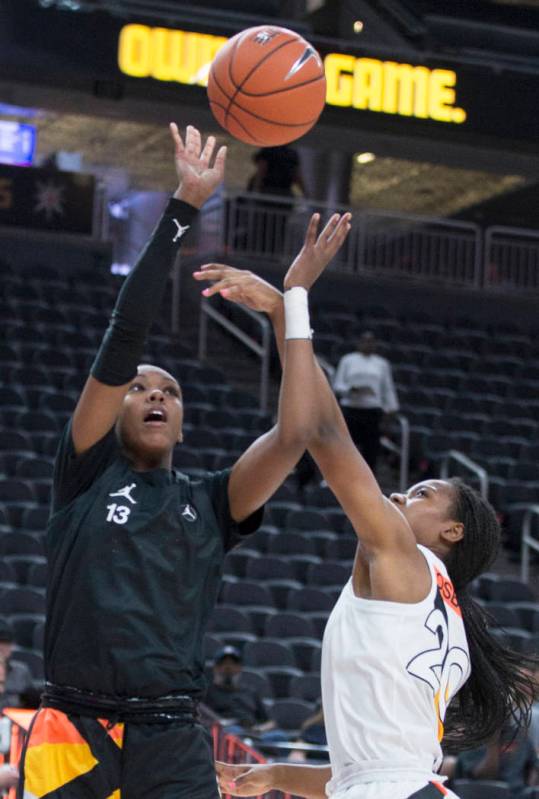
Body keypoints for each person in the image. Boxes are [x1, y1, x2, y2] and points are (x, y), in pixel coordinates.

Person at [17, 124, 326, 799]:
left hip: (173, 736)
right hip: (74, 726)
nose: (155, 392)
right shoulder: (85, 473)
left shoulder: (214, 498)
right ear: (115, 408)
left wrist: (285, 309)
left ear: (183, 423)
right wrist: (184, 206)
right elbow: (124, 337)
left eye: (171, 390)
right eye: (139, 387)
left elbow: (297, 429)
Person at [194, 218, 537, 799]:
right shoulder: (439, 605)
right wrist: (277, 775)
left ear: (451, 531)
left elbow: (324, 431)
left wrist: (293, 299)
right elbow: (367, 773)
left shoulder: (408, 562)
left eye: (422, 493)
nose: (401, 494)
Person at [333, 331, 399, 473]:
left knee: (371, 450)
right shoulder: (348, 360)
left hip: (372, 411)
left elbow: (387, 388)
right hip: (351, 409)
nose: (367, 344)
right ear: (359, 343)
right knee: (345, 448)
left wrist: (391, 408)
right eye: (364, 341)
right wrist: (351, 389)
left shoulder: (382, 364)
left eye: (371, 341)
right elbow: (338, 384)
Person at [204, 645, 285, 743]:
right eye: (224, 664)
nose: (228, 668)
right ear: (216, 668)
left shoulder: (250, 692)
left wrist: (258, 729)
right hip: (226, 734)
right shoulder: (207, 692)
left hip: (253, 734)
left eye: (233, 664)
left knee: (279, 737)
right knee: (234, 732)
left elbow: (270, 722)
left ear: (239, 668)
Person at [0, 621, 34, 711]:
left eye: (6, 643)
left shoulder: (22, 671)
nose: (2, 647)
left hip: (15, 719)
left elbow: (30, 700)